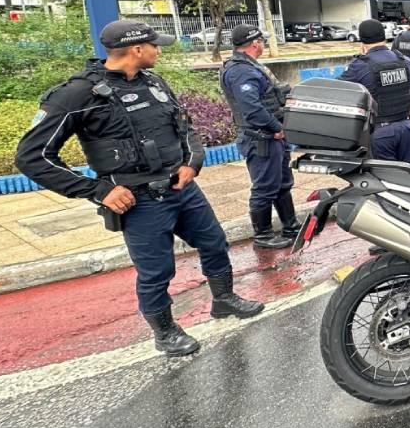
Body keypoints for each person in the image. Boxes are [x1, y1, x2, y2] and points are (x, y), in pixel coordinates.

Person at [15, 21, 263, 357]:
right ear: (136, 50)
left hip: (181, 189)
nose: (159, 50)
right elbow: (33, 157)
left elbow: (184, 125)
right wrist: (98, 190)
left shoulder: (154, 82)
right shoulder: (77, 94)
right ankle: (164, 332)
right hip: (138, 200)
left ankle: (224, 299)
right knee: (157, 270)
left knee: (215, 243)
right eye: (155, 45)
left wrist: (192, 162)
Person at [220, 25, 298, 250]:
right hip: (260, 138)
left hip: (271, 136)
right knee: (264, 187)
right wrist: (276, 127)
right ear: (255, 43)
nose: (263, 44)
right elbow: (251, 108)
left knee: (282, 183)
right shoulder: (240, 71)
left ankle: (290, 225)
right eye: (262, 41)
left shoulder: (249, 67)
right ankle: (263, 235)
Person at [339, 19, 410, 163]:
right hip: (407, 129)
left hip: (380, 134)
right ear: (384, 36)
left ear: (362, 41)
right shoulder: (406, 61)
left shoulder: (359, 66)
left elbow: (339, 93)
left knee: (385, 180)